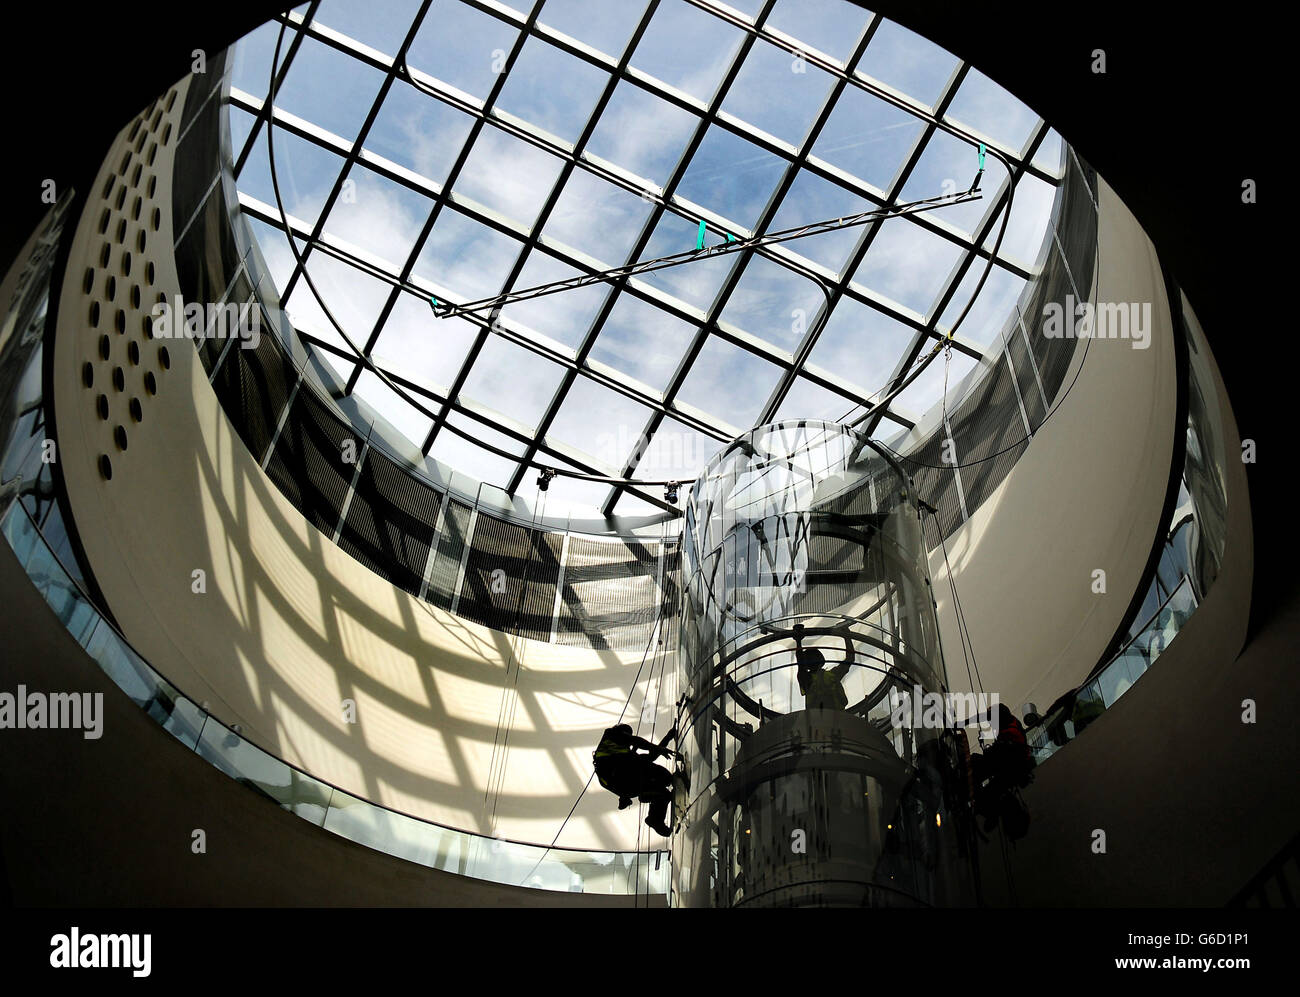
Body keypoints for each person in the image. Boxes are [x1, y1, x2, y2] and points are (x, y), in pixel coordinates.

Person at [592, 724, 679, 837]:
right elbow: (636, 741)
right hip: (621, 778)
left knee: (663, 794)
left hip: (625, 785)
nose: (628, 737)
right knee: (665, 777)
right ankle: (650, 803)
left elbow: (650, 756)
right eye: (627, 733)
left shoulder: (621, 754)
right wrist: (659, 748)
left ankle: (654, 817)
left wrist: (668, 737)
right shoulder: (610, 735)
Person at [765, 622, 854, 711]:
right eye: (809, 658)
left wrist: (798, 640)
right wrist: (846, 635)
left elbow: (850, 659)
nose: (812, 659)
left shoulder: (815, 677)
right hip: (826, 719)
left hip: (830, 718)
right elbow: (800, 662)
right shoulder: (810, 678)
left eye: (812, 657)